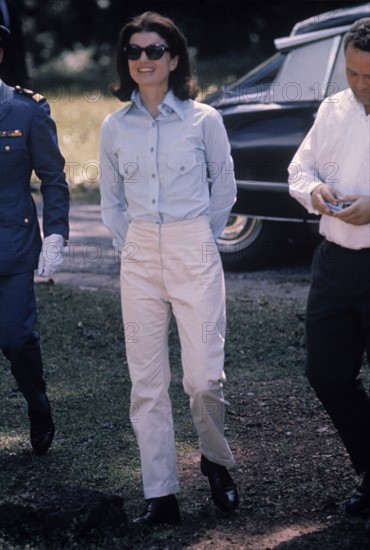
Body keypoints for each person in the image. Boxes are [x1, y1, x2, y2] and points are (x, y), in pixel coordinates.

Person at [99, 11, 238, 525]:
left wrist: (197, 237)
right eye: (134, 51)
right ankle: (161, 494)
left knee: (204, 378)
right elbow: (111, 201)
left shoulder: (206, 121)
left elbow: (223, 189)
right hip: (138, 256)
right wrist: (129, 248)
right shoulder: (114, 127)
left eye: (154, 50)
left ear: (174, 59)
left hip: (193, 249)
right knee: (147, 382)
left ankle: (216, 460)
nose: (143, 60)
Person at [288, 18, 370, 515]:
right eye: (353, 75)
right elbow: (300, 168)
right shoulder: (333, 108)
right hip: (335, 264)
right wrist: (313, 191)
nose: (360, 86)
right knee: (325, 373)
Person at [0, 23, 69, 454]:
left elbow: (54, 178)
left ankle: (38, 406)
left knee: (16, 339)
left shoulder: (26, 110)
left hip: (12, 245)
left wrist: (57, 233)